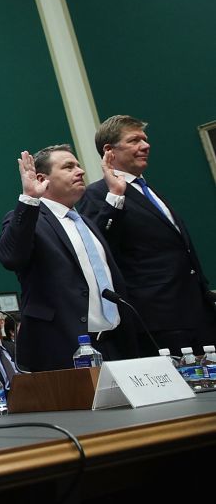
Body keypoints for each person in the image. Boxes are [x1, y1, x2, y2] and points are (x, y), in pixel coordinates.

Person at [80, 115, 216, 354]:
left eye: (145, 139)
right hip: (159, 319)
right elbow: (99, 249)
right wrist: (116, 197)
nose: (146, 145)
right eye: (134, 140)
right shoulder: (98, 194)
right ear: (109, 151)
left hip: (197, 312)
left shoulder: (150, 190)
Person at [0, 146, 137, 371]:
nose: (80, 171)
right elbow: (10, 257)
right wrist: (30, 199)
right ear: (42, 178)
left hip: (114, 344)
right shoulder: (29, 219)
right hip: (63, 348)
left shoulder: (86, 223)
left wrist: (116, 194)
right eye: (69, 167)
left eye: (79, 165)